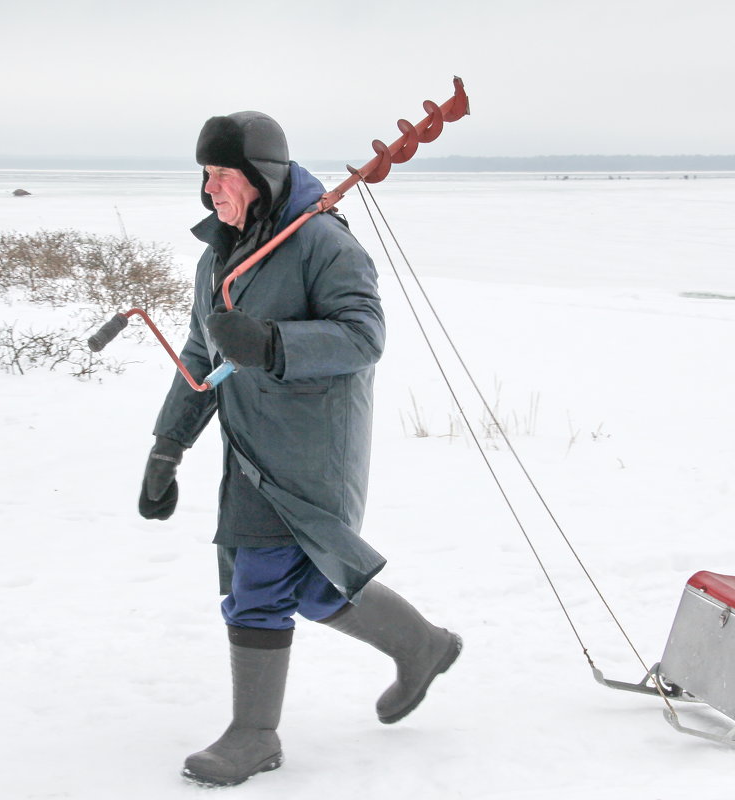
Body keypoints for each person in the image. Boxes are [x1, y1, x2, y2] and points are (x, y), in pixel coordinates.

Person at [140, 110, 461, 787]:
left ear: (263, 177)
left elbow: (363, 336)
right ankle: (422, 646)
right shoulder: (218, 255)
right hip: (249, 449)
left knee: (259, 582)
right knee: (313, 584)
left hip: (311, 448)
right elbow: (203, 353)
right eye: (205, 174)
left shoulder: (323, 245)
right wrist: (167, 446)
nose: (211, 189)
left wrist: (275, 344)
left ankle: (254, 734)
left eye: (224, 174)